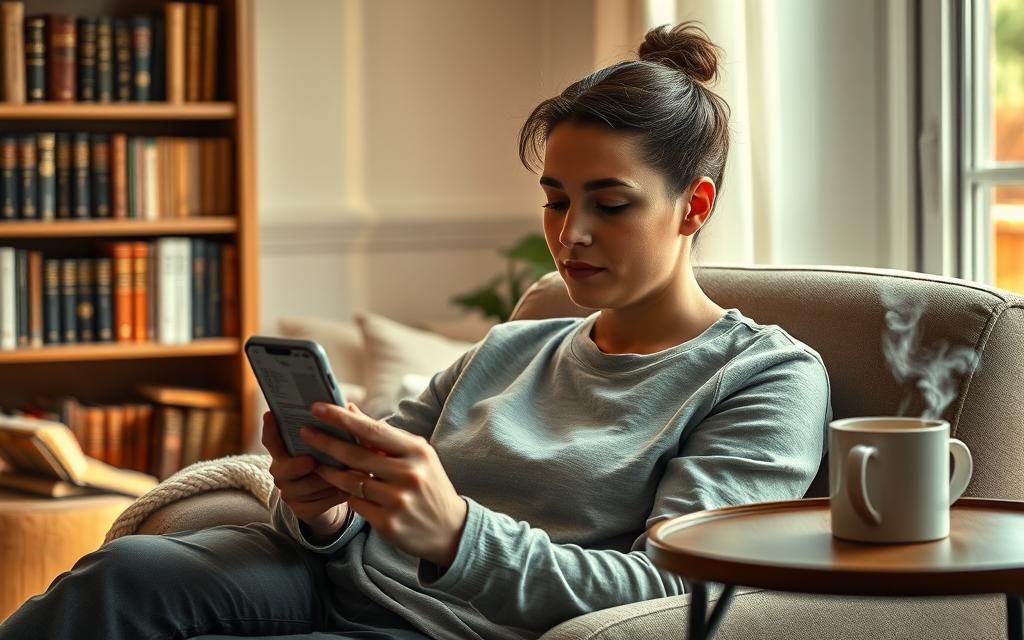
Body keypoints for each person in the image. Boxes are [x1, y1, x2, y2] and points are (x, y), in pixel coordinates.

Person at [0, 21, 832, 640]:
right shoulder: (513, 346)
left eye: (609, 205)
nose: (570, 233)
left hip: (464, 627)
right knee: (128, 574)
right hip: (337, 584)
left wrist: (458, 536)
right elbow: (348, 517)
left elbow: (676, 592)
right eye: (554, 199)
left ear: (695, 205)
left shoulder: (763, 377)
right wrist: (319, 504)